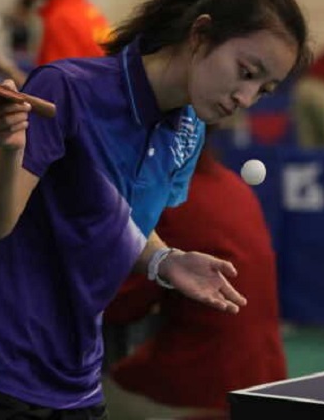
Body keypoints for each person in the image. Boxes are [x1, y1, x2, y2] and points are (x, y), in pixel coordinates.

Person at [0, 0, 311, 419]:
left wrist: (164, 261)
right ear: (200, 34)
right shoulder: (68, 89)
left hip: (76, 379)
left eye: (263, 89)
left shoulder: (188, 129)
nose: (246, 96)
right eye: (246, 72)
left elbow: (118, 219)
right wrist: (9, 151)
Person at [103, 142, 287, 418]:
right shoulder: (237, 187)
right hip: (269, 379)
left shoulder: (166, 201)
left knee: (85, 395)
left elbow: (121, 307)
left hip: (206, 390)